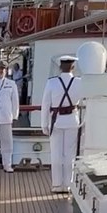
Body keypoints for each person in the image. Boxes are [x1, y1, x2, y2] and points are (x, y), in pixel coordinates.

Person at [40, 54, 83, 193]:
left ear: (60, 67)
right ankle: (68, 184)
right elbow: (83, 102)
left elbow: (45, 104)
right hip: (72, 121)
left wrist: (44, 124)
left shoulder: (51, 82)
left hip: (56, 121)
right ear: (73, 67)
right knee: (69, 155)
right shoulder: (79, 82)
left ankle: (57, 185)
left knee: (56, 154)